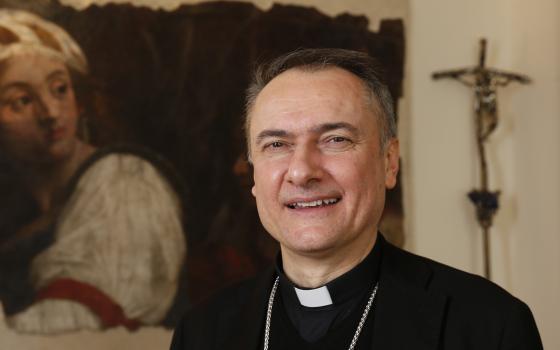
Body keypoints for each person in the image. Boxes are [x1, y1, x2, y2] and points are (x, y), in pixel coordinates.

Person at [170, 48, 542, 349]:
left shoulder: (488, 326)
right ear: (253, 175)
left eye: (335, 140)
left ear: (389, 162)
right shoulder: (202, 333)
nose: (301, 171)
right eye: (276, 145)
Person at [0, 9, 186, 333]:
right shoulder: (19, 202)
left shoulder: (124, 182)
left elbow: (78, 322)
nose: (51, 113)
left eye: (59, 89)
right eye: (21, 101)